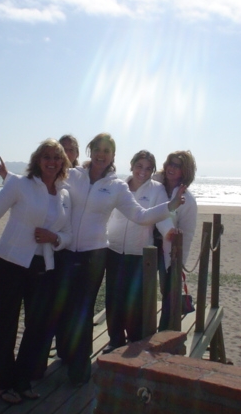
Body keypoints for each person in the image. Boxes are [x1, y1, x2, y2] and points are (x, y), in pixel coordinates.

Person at [55, 133, 185, 385]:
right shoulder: (73, 175)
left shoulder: (117, 187)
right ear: (90, 151)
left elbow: (141, 215)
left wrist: (169, 207)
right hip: (68, 252)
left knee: (84, 309)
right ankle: (67, 354)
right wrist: (11, 180)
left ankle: (80, 370)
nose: (101, 154)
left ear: (113, 155)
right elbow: (48, 188)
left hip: (95, 254)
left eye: (107, 150)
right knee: (64, 307)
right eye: (98, 149)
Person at [0, 139, 72, 405]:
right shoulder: (20, 185)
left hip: (42, 266)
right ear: (38, 160)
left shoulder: (64, 194)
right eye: (47, 156)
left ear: (63, 162)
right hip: (11, 263)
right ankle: (4, 383)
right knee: (7, 325)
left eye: (57, 157)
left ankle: (22, 381)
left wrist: (55, 238)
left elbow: (67, 233)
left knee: (36, 327)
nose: (52, 162)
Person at [104, 150, 171, 353]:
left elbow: (162, 215)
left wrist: (169, 232)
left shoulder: (157, 189)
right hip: (113, 249)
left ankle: (135, 340)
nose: (143, 171)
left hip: (140, 253)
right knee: (114, 297)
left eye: (148, 168)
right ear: (132, 165)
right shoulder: (119, 186)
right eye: (139, 166)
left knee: (134, 300)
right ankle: (115, 340)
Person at [154, 150, 198, 331]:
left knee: (168, 291)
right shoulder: (153, 185)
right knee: (141, 288)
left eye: (177, 165)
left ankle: (166, 330)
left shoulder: (188, 200)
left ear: (185, 171)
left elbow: (187, 233)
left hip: (169, 249)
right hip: (146, 244)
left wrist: (179, 261)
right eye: (170, 163)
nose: (171, 168)